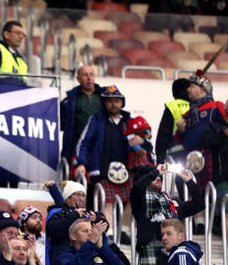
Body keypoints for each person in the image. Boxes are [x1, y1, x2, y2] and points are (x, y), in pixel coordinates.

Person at [75, 85, 153, 240]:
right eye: (110, 101)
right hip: (103, 168)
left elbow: (147, 145)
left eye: (117, 101)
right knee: (107, 200)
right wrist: (81, 163)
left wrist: (142, 141)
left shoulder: (129, 122)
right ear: (104, 103)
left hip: (128, 169)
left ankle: (123, 230)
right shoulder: (96, 120)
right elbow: (84, 143)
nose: (113, 104)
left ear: (122, 103)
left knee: (133, 198)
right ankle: (108, 232)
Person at [131, 164, 204, 265]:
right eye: (153, 177)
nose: (158, 178)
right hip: (151, 252)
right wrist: (155, 171)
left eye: (159, 176)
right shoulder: (139, 200)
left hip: (173, 254)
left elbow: (199, 204)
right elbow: (137, 187)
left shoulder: (172, 203)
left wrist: (189, 181)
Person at [177, 71, 227, 233]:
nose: (188, 90)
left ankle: (213, 222)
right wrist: (181, 130)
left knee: (206, 189)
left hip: (209, 156)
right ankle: (199, 223)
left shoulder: (216, 106)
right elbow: (181, 139)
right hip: (191, 156)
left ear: (203, 89)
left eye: (192, 86)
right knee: (194, 188)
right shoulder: (188, 113)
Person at [57, 218, 127, 265]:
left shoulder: (101, 253)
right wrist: (90, 242)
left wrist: (101, 247)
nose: (90, 234)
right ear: (73, 236)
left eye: (91, 231)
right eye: (85, 231)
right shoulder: (66, 256)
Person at [59, 64, 103, 166]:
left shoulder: (104, 97)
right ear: (78, 79)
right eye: (85, 75)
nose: (89, 78)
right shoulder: (68, 101)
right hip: (76, 148)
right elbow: (59, 124)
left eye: (91, 74)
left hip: (100, 146)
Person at [155, 78, 190, 164]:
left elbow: (164, 133)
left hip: (176, 152)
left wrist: (159, 157)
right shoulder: (196, 105)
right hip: (195, 153)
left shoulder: (172, 106)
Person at [0, 20, 27, 86]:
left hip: (20, 95)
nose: (21, 37)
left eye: (23, 34)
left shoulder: (21, 60)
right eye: (17, 33)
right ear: (6, 35)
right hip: (1, 94)